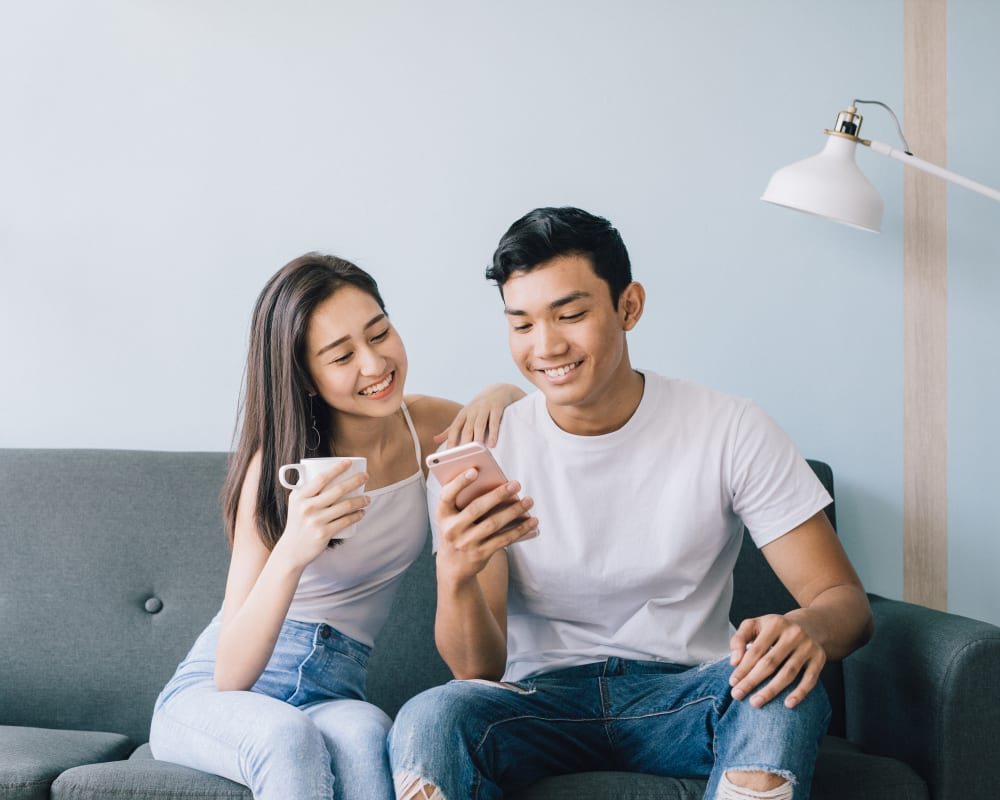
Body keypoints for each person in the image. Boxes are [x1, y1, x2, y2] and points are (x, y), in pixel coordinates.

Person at [388, 207, 874, 800]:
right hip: (538, 704)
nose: (546, 346)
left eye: (570, 314)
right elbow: (476, 672)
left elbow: (845, 604)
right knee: (430, 718)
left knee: (781, 688)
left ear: (629, 306)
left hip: (689, 693)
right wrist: (457, 572)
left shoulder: (730, 428)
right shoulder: (488, 449)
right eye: (521, 325)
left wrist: (804, 630)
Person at [149, 253, 522, 800]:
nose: (375, 365)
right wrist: (294, 548)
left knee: (371, 735)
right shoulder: (275, 466)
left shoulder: (428, 428)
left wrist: (498, 393)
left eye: (380, 333)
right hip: (216, 694)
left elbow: (517, 409)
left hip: (335, 687)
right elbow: (230, 675)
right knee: (286, 738)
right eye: (342, 355)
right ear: (305, 374)